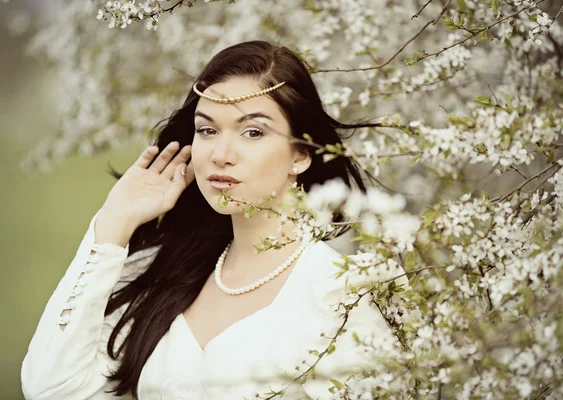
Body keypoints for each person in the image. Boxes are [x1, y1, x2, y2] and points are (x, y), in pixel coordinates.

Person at [21, 40, 407, 399]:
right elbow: (51, 388)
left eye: (252, 132)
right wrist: (113, 223)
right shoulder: (161, 275)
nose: (221, 153)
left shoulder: (343, 292)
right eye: (207, 130)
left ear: (301, 154)